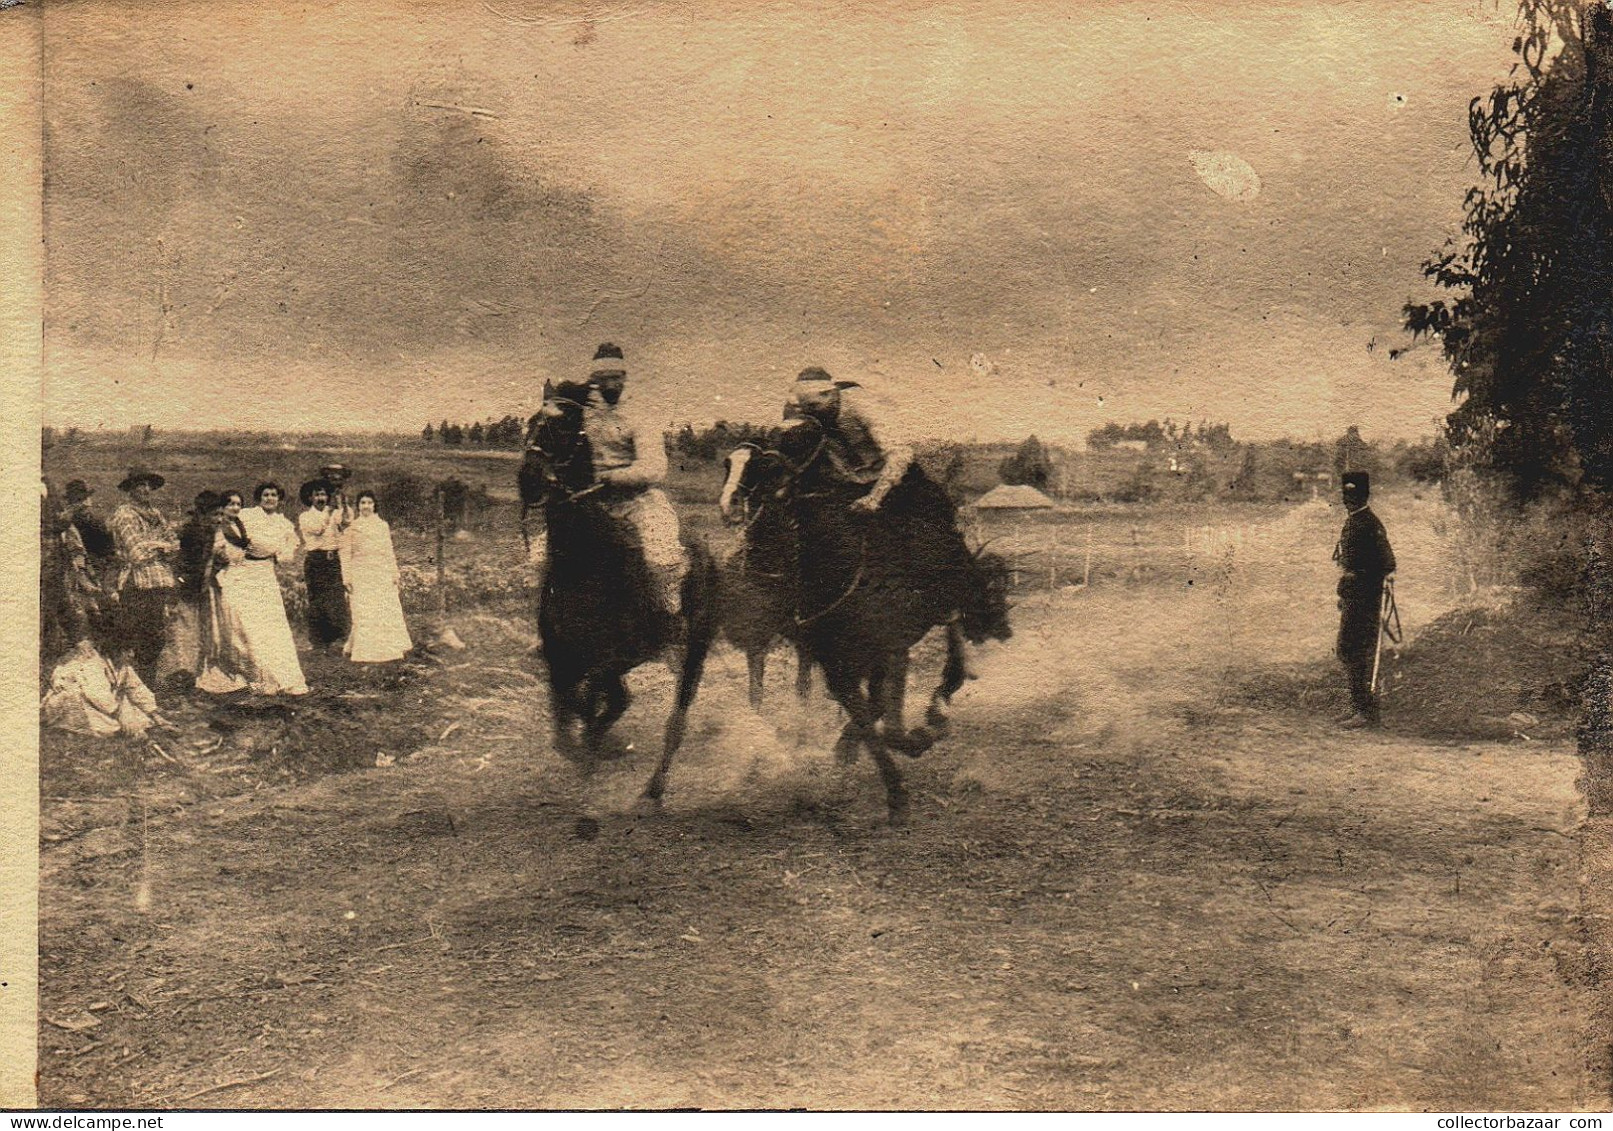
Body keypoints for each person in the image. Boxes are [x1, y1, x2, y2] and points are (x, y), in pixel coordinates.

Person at [576, 343, 686, 617]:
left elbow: (654, 468)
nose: (610, 384)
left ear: (625, 378)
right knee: (543, 555)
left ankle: (669, 623)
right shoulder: (585, 413)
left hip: (637, 501)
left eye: (616, 378)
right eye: (602, 379)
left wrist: (612, 477)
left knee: (662, 556)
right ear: (594, 381)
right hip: (592, 502)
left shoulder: (640, 413)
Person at [210, 484, 308, 696]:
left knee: (271, 625)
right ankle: (251, 673)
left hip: (265, 573)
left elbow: (287, 553)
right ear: (259, 498)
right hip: (243, 570)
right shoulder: (247, 514)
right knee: (246, 623)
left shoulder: (285, 524)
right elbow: (230, 530)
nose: (269, 498)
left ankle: (278, 675)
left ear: (279, 499)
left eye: (274, 495)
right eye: (265, 494)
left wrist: (279, 552)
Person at [1333, 470, 1396, 728]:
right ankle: (1360, 708)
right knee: (1348, 649)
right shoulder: (1353, 521)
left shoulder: (1369, 523)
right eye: (1346, 495)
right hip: (1354, 598)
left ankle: (1366, 713)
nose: (1350, 500)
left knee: (1355, 650)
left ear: (1365, 495)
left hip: (1366, 600)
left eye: (1355, 495)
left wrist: (1363, 585)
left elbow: (1388, 563)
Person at [109, 468, 180, 686]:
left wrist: (156, 544)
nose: (146, 489)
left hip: (159, 583)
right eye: (140, 485)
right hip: (137, 584)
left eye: (149, 485)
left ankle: (146, 688)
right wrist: (161, 545)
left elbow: (176, 546)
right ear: (130, 489)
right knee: (137, 638)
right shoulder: (125, 515)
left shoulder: (156, 514)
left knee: (156, 638)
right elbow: (137, 553)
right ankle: (134, 688)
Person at [42, 636, 171, 739]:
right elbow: (97, 694)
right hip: (73, 699)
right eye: (127, 651)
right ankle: (69, 726)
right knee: (110, 728)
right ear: (115, 652)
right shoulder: (94, 664)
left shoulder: (123, 667)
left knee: (140, 719)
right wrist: (122, 717)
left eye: (132, 651)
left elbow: (136, 688)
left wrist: (156, 716)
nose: (131, 655)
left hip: (99, 701)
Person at [339, 490, 413, 663]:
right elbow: (345, 554)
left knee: (383, 609)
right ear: (358, 506)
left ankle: (387, 649)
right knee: (363, 611)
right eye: (363, 503)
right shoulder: (351, 527)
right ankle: (363, 650)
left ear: (374, 505)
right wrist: (347, 578)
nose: (366, 506)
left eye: (369, 503)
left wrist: (394, 572)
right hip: (360, 573)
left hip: (381, 572)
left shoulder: (382, 525)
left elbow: (388, 551)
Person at [56, 480, 116, 646]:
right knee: (95, 613)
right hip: (91, 569)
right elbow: (109, 543)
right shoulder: (91, 518)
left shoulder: (66, 519)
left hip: (82, 569)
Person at [298, 478, 351, 649]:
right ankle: (319, 640)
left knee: (336, 598)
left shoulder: (335, 512)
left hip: (333, 560)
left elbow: (346, 523)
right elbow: (318, 530)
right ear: (311, 498)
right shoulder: (305, 516)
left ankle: (338, 637)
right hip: (316, 559)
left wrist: (342, 503)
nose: (321, 498)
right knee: (318, 598)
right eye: (317, 494)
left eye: (323, 494)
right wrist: (330, 513)